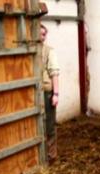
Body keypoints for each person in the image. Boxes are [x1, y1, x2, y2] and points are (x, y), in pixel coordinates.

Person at [40, 24, 59, 163]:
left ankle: (51, 155)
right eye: (40, 33)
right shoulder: (32, 51)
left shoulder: (48, 51)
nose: (42, 36)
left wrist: (56, 94)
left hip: (47, 92)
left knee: (49, 125)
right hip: (35, 93)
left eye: (44, 34)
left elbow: (55, 73)